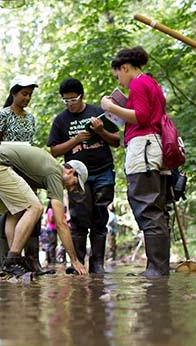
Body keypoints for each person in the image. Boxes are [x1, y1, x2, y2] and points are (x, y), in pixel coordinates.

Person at [101, 46, 172, 277]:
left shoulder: (139, 83)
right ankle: (158, 268)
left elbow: (141, 117)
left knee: (146, 207)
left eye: (117, 75)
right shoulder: (151, 83)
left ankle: (156, 270)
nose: (119, 80)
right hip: (154, 147)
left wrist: (112, 108)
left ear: (125, 68)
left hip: (144, 148)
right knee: (156, 208)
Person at [0, 143, 89, 276]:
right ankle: (12, 259)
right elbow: (61, 223)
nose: (72, 189)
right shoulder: (56, 172)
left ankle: (12, 263)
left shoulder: (47, 166)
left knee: (15, 211)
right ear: (70, 171)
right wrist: (74, 260)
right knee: (35, 207)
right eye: (74, 183)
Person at [48, 78, 121, 274]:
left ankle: (97, 264)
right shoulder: (60, 121)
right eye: (66, 101)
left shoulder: (98, 112)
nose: (70, 104)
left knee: (100, 217)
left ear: (82, 96)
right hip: (76, 177)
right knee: (79, 219)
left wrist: (101, 131)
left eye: (73, 99)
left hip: (102, 171)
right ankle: (78, 263)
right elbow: (54, 151)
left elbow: (116, 141)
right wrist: (76, 140)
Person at [0, 74, 45, 273]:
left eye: (30, 95)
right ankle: (14, 257)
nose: (27, 98)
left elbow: (29, 145)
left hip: (26, 168)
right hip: (5, 167)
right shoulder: (3, 115)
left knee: (30, 209)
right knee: (14, 211)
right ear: (14, 93)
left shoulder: (30, 118)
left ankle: (27, 259)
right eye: (23, 94)